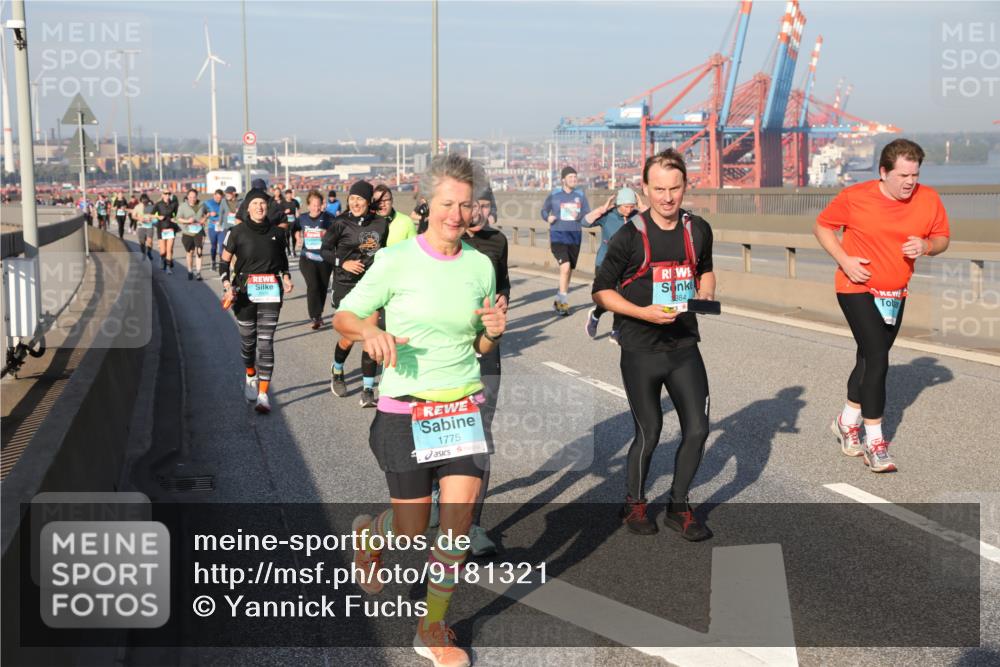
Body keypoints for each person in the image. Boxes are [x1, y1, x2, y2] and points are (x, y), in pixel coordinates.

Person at [333, 153, 505, 667]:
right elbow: (345, 316)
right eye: (447, 203)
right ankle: (371, 535)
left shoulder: (480, 265)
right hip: (405, 409)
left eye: (466, 204)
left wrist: (493, 334)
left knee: (455, 525)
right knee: (411, 526)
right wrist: (370, 332)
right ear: (427, 203)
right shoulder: (396, 259)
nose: (457, 214)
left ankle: (432, 628)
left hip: (461, 406)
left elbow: (480, 345)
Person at [592, 149, 715, 540]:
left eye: (674, 188)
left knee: (698, 429)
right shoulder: (629, 236)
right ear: (644, 189)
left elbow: (706, 269)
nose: (667, 197)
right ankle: (634, 503)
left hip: (683, 346)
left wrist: (705, 294)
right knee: (650, 430)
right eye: (659, 189)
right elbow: (601, 291)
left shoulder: (697, 229)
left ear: (685, 186)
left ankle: (679, 507)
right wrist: (643, 313)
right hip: (640, 349)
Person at [815, 138, 949, 473]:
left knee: (868, 358)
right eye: (903, 175)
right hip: (856, 286)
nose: (909, 182)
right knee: (878, 357)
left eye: (914, 175)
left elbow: (943, 238)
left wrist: (927, 246)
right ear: (883, 172)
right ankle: (875, 442)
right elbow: (823, 227)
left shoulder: (928, 199)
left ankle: (846, 422)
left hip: (895, 294)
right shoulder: (855, 197)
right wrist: (845, 260)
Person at [458, 183, 510, 556]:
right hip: (446, 351)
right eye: (471, 203)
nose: (477, 210)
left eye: (484, 204)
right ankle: (438, 491)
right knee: (445, 431)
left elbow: (502, 282)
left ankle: (472, 525)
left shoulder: (498, 241)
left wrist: (504, 298)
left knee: (480, 434)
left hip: (487, 349)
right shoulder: (444, 241)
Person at [219, 190, 294, 414]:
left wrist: (286, 277)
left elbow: (282, 261)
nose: (259, 207)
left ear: (267, 207)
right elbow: (223, 263)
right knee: (248, 342)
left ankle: (263, 394)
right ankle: (250, 373)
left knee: (266, 342)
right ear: (248, 208)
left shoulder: (277, 233)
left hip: (271, 292)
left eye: (263, 203)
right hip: (244, 293)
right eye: (255, 203)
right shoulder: (236, 232)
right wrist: (227, 285)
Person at [321, 180, 390, 407]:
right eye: (352, 198)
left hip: (370, 286)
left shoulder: (381, 224)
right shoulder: (340, 223)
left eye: (360, 199)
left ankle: (367, 390)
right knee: (350, 337)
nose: (355, 203)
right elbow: (324, 250)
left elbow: (384, 252)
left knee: (370, 334)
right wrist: (343, 263)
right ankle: (337, 369)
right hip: (345, 284)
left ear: (368, 201)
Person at [582, 187, 641, 343]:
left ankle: (616, 331)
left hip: (627, 265)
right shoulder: (608, 215)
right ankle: (595, 315)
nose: (629, 210)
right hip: (605, 263)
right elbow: (584, 222)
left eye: (632, 206)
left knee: (622, 298)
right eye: (626, 206)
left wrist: (642, 207)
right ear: (618, 204)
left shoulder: (637, 216)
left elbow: (655, 221)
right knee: (608, 297)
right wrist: (601, 210)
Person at [541, 166, 590, 316]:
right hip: (558, 236)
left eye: (575, 177)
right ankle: (562, 304)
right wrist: (548, 217)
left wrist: (580, 216)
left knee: (568, 271)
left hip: (575, 237)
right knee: (565, 267)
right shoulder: (554, 194)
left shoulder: (580, 195)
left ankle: (558, 300)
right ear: (563, 180)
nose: (573, 180)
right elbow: (543, 210)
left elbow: (586, 214)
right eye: (570, 177)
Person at [292, 190, 336, 329]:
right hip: (307, 257)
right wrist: (298, 237)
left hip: (325, 258)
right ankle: (314, 317)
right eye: (313, 205)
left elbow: (337, 233)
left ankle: (318, 314)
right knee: (313, 285)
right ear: (308, 205)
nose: (316, 208)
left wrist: (328, 234)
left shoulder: (329, 218)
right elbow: (295, 228)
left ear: (322, 205)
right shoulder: (302, 218)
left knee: (322, 287)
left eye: (318, 205)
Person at [176, 189, 207, 280]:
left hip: (199, 231)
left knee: (199, 251)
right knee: (190, 252)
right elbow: (178, 219)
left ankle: (198, 273)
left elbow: (206, 214)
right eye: (190, 197)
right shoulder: (183, 206)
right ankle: (190, 270)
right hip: (187, 232)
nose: (192, 199)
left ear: (197, 197)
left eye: (194, 197)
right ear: (187, 197)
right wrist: (187, 221)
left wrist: (204, 219)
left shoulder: (202, 205)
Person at [154, 190, 180, 274]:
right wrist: (158, 217)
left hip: (171, 228)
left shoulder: (174, 204)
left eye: (169, 193)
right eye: (165, 194)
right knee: (163, 251)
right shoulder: (158, 204)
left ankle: (168, 267)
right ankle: (162, 259)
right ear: (162, 195)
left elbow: (177, 215)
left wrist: (175, 219)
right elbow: (152, 214)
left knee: (169, 249)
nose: (167, 195)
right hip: (161, 228)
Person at [204, 189, 226, 270]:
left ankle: (221, 264)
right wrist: (209, 214)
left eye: (220, 198)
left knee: (222, 246)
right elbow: (202, 213)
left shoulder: (225, 203)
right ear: (214, 195)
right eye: (217, 198)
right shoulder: (207, 203)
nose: (218, 199)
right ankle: (213, 261)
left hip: (222, 227)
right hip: (212, 227)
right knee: (213, 246)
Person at [134, 194, 156, 261]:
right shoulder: (137, 207)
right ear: (141, 200)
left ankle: (149, 252)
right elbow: (133, 216)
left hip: (149, 226)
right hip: (141, 226)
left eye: (146, 200)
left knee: (150, 241)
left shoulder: (151, 207)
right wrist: (139, 218)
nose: (145, 202)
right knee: (142, 242)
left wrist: (152, 218)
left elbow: (155, 215)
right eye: (143, 200)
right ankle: (143, 253)